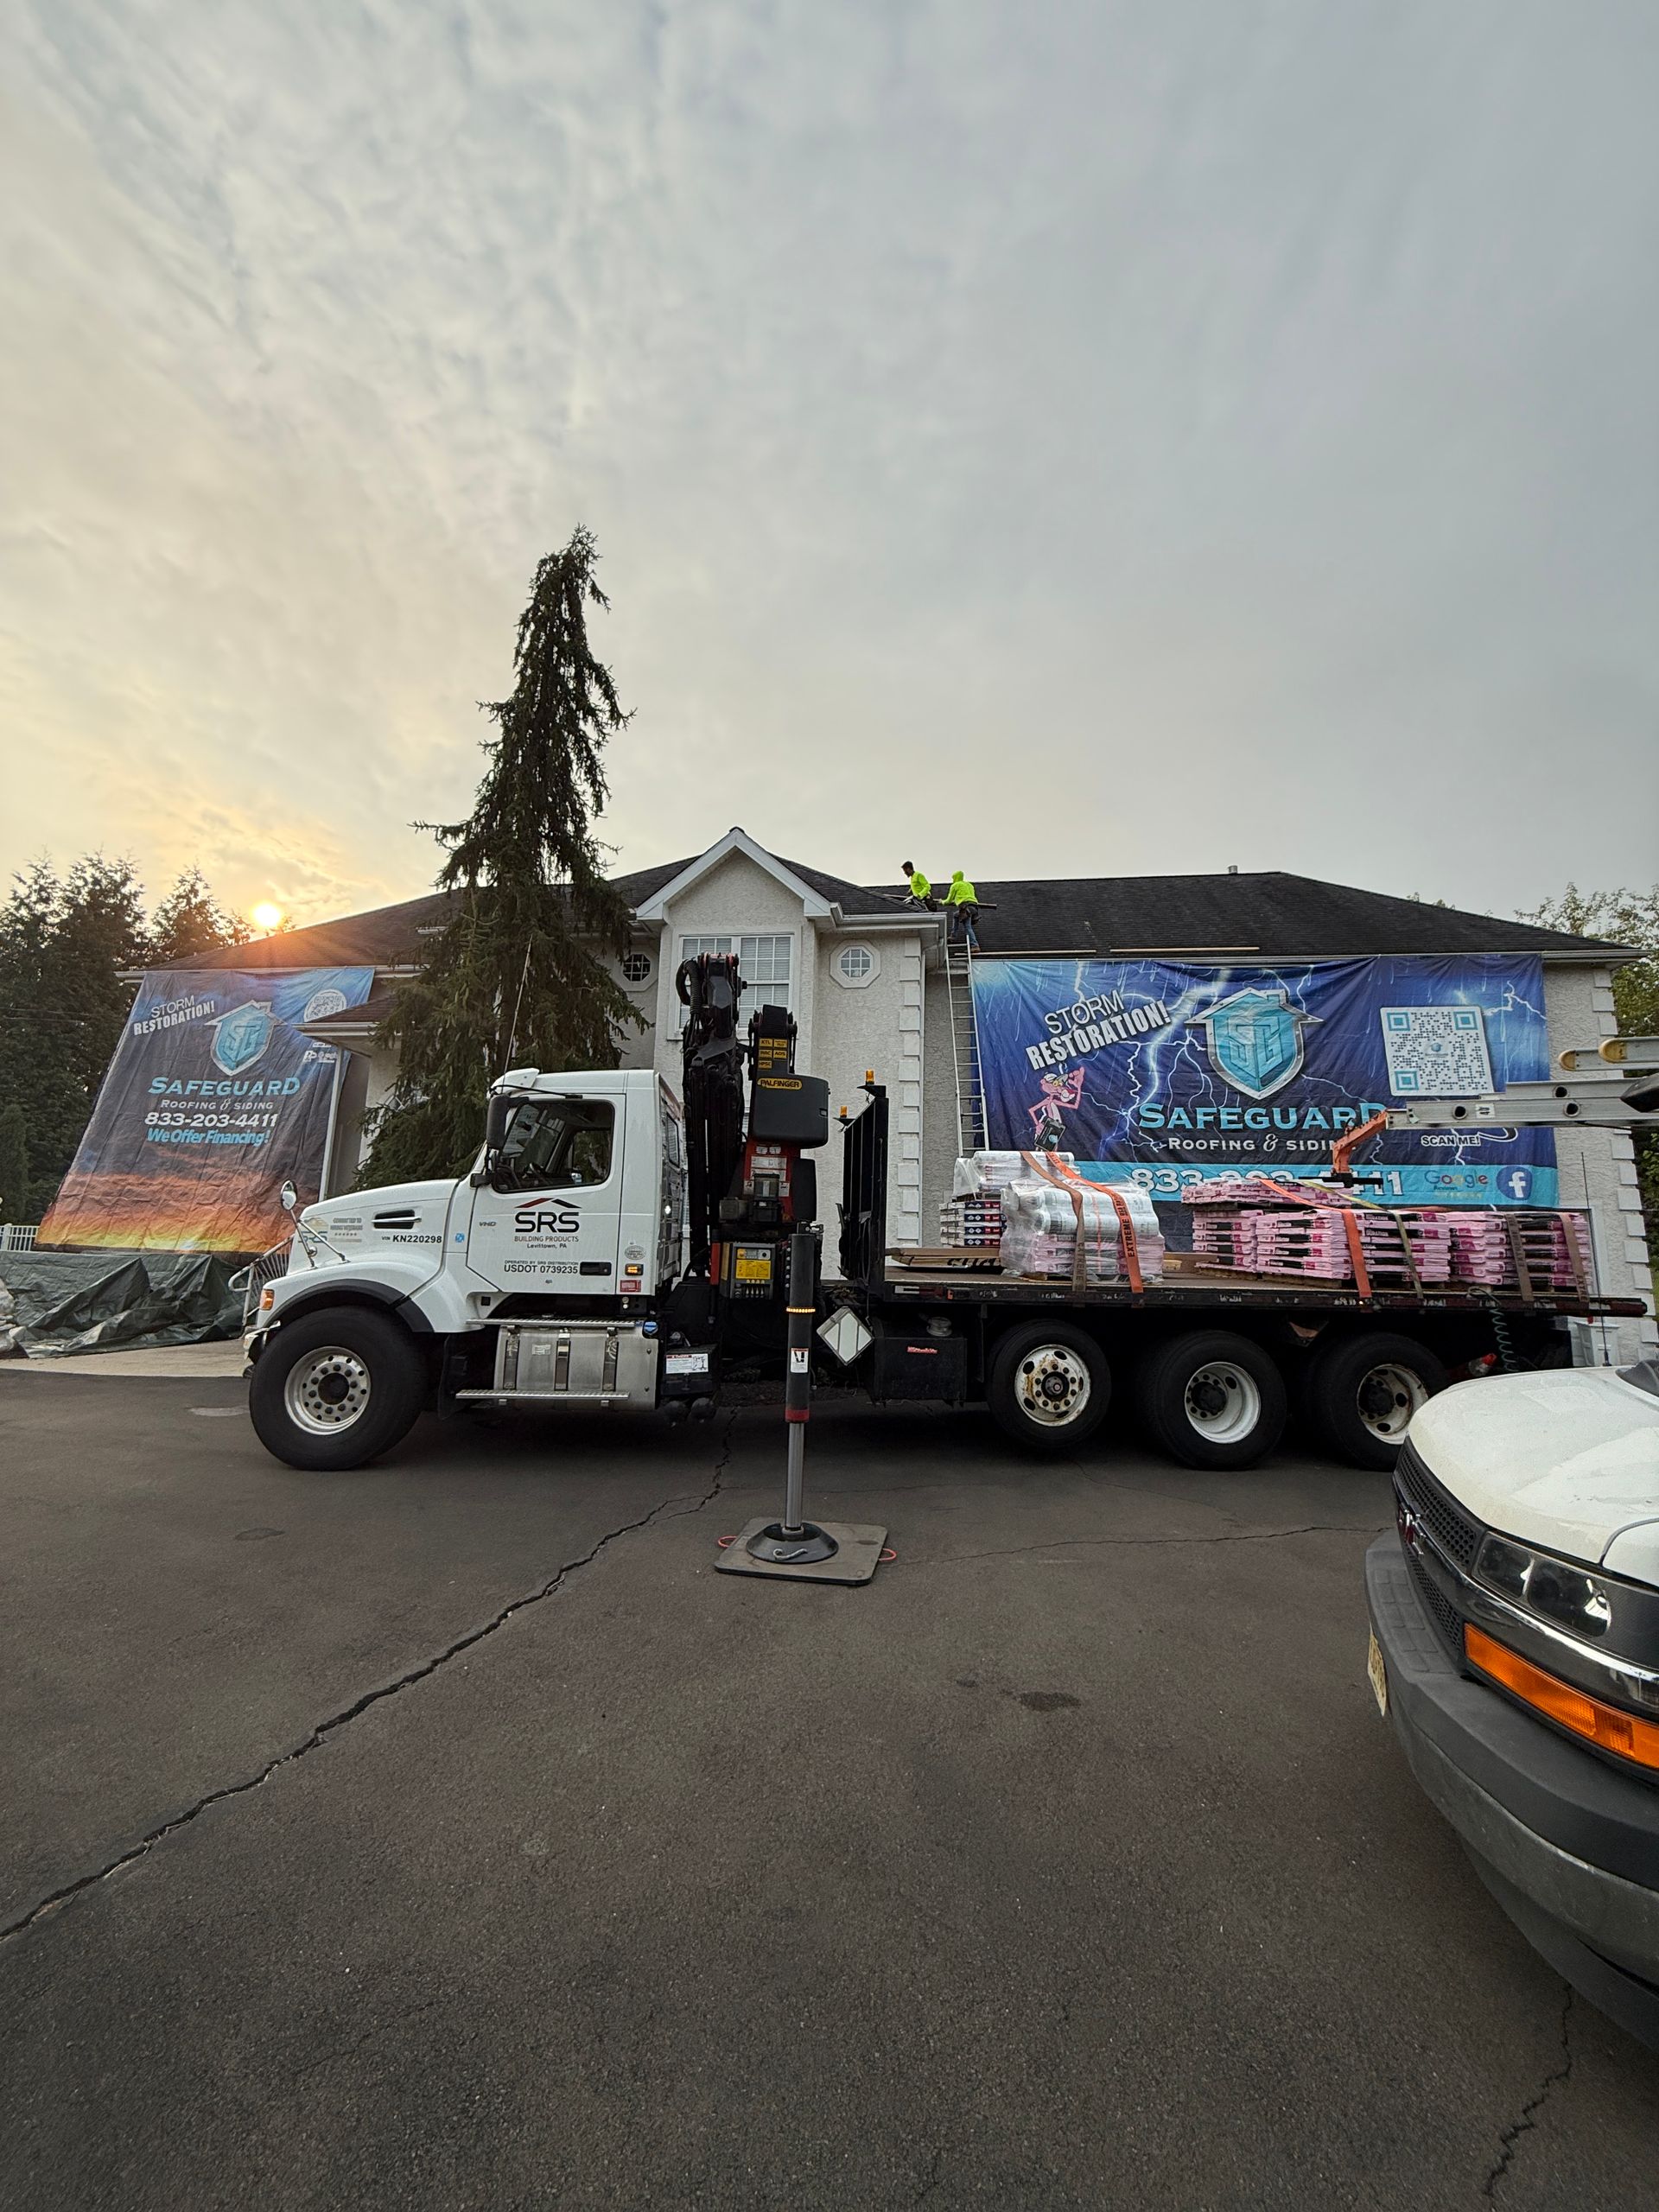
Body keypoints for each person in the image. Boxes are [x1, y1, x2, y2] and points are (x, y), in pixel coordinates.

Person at [945, 869, 980, 944]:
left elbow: (948, 900)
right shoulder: (969, 885)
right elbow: (965, 897)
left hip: (965, 908)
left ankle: (974, 945)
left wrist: (942, 902)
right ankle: (954, 936)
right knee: (957, 915)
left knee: (967, 927)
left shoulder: (956, 885)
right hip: (974, 907)